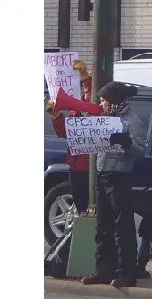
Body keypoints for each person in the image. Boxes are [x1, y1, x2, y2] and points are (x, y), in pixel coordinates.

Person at [79, 82, 148, 288]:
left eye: (103, 101)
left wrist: (127, 143)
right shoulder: (104, 119)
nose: (101, 104)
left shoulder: (132, 121)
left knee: (122, 228)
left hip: (120, 178)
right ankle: (104, 268)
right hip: (103, 175)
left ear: (115, 102)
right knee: (104, 227)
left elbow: (140, 152)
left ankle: (126, 271)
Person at [47, 60, 95, 214]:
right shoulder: (76, 111)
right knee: (81, 205)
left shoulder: (92, 107)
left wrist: (86, 78)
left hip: (92, 166)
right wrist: (56, 117)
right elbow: (64, 132)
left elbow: (91, 98)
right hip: (77, 167)